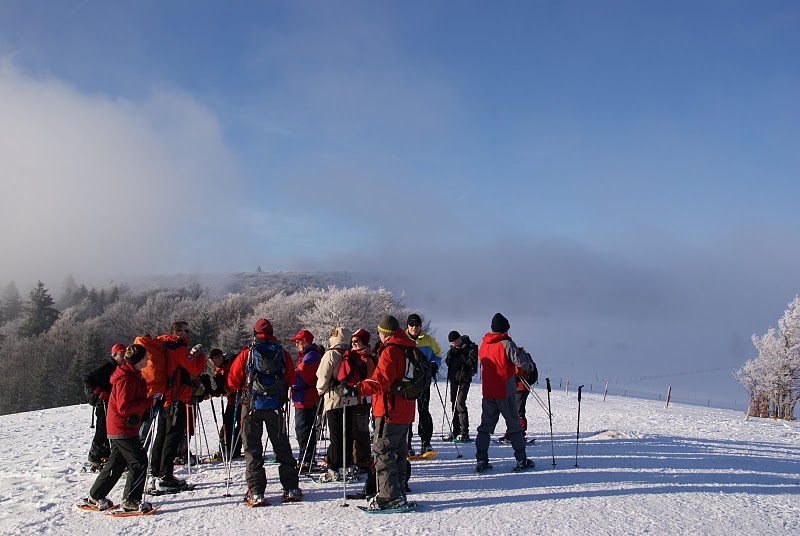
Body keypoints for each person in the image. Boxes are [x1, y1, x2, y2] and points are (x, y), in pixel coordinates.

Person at [227, 318, 302, 506]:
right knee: (282, 447)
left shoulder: (247, 353)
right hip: (276, 406)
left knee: (252, 449)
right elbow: (291, 378)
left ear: (254, 333)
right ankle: (291, 488)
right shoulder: (282, 353)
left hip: (251, 406)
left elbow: (233, 380)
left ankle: (256, 492)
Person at [83, 344, 156, 513]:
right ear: (138, 360)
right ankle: (131, 500)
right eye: (146, 357)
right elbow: (124, 407)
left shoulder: (132, 375)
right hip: (122, 427)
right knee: (139, 461)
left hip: (120, 426)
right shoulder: (127, 378)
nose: (148, 359)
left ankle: (95, 495)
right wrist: (148, 402)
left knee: (116, 463)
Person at [355, 314, 416, 510]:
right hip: (405, 409)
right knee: (398, 453)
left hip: (390, 409)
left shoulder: (391, 351)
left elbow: (381, 380)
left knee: (383, 453)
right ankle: (398, 493)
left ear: (385, 333)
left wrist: (358, 388)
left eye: (380, 332)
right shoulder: (408, 347)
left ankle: (389, 496)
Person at [136, 320, 206, 492]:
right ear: (177, 332)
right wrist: (201, 356)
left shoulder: (163, 346)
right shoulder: (177, 348)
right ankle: (166, 477)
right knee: (172, 438)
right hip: (177, 398)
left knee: (161, 435)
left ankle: (155, 472)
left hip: (164, 397)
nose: (188, 334)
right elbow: (195, 369)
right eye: (186, 331)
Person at [475, 313, 536, 473]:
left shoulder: (484, 344)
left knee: (485, 427)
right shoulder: (506, 344)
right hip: (505, 390)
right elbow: (522, 362)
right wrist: (521, 352)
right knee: (514, 426)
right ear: (505, 329)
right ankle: (521, 459)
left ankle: (481, 459)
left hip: (488, 391)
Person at [316, 327, 358, 482]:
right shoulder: (352, 354)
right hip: (351, 399)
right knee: (348, 433)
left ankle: (333, 467)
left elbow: (323, 377)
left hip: (334, 399)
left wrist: (321, 391)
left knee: (336, 435)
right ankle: (348, 465)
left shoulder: (331, 354)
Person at [82, 344, 127, 470]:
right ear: (114, 355)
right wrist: (99, 390)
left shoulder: (117, 366)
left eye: (125, 354)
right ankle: (94, 457)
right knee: (102, 429)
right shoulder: (107, 366)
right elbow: (86, 378)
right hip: (103, 402)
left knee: (109, 428)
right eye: (121, 354)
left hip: (110, 401)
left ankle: (105, 454)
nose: (124, 357)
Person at [405, 313, 441, 454]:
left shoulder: (428, 340)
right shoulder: (402, 340)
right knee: (407, 413)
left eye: (417, 325)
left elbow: (437, 355)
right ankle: (407, 443)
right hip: (407, 383)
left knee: (424, 411)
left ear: (420, 326)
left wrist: (434, 366)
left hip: (423, 382)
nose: (414, 328)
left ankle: (426, 442)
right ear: (408, 326)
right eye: (411, 325)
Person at [289, 329, 322, 471]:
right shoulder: (306, 356)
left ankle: (307, 460)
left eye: (298, 341)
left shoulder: (311, 356)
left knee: (304, 429)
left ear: (305, 341)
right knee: (303, 429)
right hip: (302, 397)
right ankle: (306, 458)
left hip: (306, 398)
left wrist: (288, 379)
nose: (296, 345)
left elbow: (300, 377)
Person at [349, 329, 378, 471]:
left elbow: (369, 379)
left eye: (357, 341)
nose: (354, 344)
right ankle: (356, 459)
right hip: (357, 399)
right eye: (352, 341)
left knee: (361, 430)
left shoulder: (367, 359)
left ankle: (363, 460)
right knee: (355, 429)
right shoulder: (356, 357)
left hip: (363, 400)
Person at [444, 331, 479, 441]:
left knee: (460, 404)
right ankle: (456, 430)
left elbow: (472, 362)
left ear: (459, 339)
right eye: (452, 343)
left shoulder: (471, 347)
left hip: (464, 379)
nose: (454, 344)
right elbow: (448, 363)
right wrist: (451, 355)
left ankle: (465, 432)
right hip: (454, 379)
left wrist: (461, 356)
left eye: (455, 342)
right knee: (453, 404)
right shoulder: (453, 349)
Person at [499, 346, 538, 442]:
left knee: (518, 412)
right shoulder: (524, 357)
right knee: (513, 411)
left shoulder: (520, 359)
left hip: (520, 387)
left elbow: (517, 372)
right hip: (518, 387)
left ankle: (520, 433)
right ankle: (512, 433)